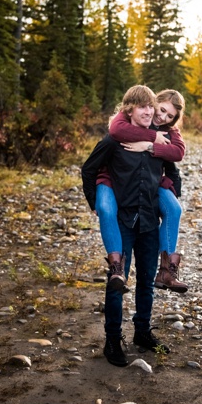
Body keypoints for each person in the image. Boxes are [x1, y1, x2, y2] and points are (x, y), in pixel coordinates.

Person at [81, 85, 175, 367]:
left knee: (147, 281)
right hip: (123, 221)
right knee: (116, 281)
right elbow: (88, 168)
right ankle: (112, 340)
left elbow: (173, 169)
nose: (148, 112)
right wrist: (95, 203)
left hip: (148, 221)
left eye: (151, 107)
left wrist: (172, 196)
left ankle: (142, 333)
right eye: (142, 107)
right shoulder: (114, 141)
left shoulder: (157, 144)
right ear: (129, 110)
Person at [97, 89, 189, 294]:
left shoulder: (169, 130)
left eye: (170, 116)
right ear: (155, 101)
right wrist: (152, 136)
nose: (162, 117)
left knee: (174, 209)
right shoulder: (135, 114)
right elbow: (116, 130)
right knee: (107, 210)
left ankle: (166, 271)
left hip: (154, 184)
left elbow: (178, 152)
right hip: (124, 184)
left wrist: (149, 146)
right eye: (162, 109)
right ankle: (116, 268)